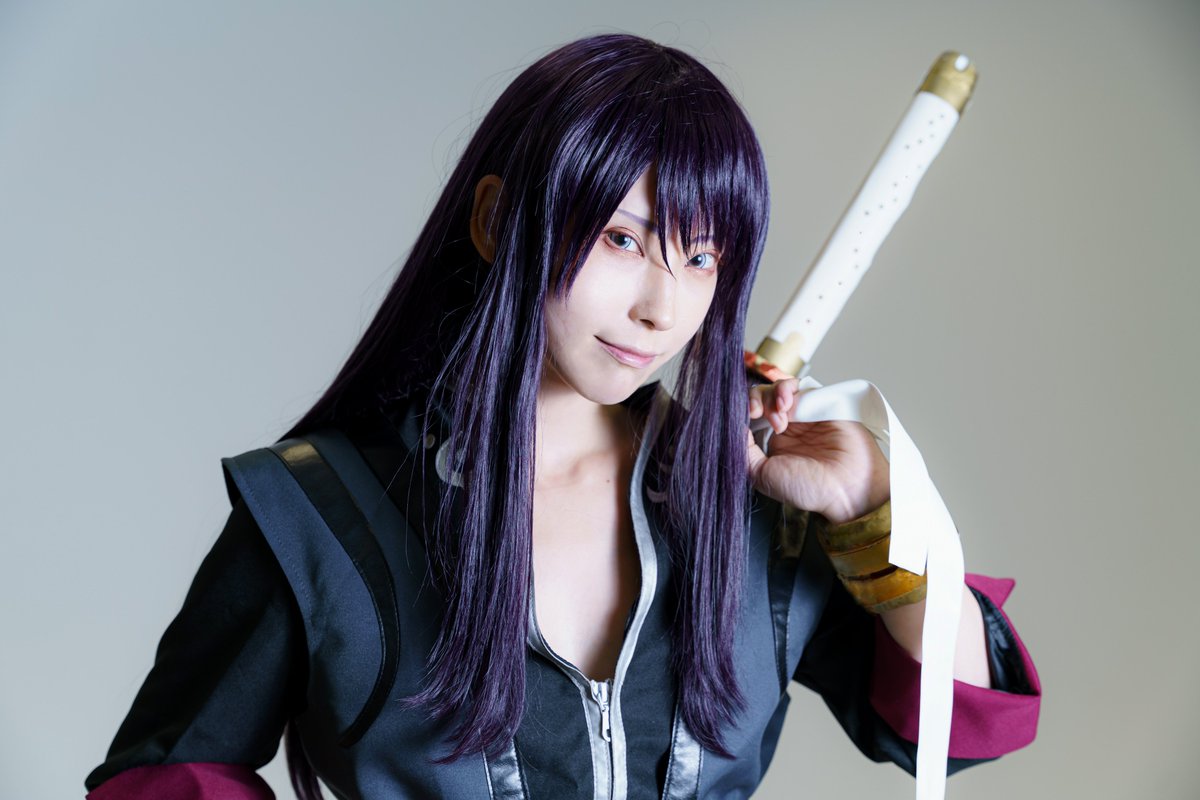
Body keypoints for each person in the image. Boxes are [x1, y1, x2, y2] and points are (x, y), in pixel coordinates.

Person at [84, 32, 1040, 800]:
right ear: (496, 220)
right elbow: (163, 777)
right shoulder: (317, 513)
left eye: (701, 257)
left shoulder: (755, 509)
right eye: (623, 239)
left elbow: (960, 725)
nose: (662, 307)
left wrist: (876, 506)